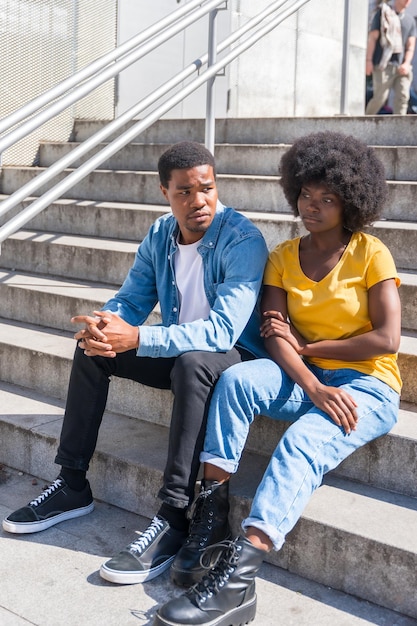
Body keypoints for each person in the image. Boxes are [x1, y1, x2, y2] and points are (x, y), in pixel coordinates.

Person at [154, 131, 402, 626]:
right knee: (238, 381)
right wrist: (310, 381)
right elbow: (272, 336)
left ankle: (238, 578)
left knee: (303, 440)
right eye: (306, 195)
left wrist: (307, 347)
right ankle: (211, 511)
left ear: (350, 202)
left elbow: (386, 339)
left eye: (326, 199)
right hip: (306, 377)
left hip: (368, 384)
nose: (311, 207)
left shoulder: (370, 253)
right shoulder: (283, 256)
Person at [2, 141, 269, 587]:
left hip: (234, 356)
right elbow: (133, 298)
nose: (199, 201)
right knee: (94, 350)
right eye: (185, 191)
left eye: (207, 188)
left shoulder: (242, 240)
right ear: (165, 191)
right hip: (181, 346)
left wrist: (141, 336)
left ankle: (173, 515)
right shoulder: (160, 234)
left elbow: (222, 332)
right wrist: (106, 323)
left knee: (193, 365)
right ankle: (72, 485)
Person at [366, 0, 416, 115]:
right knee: (380, 98)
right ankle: (364, 123)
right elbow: (373, 38)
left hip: (401, 66)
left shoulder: (410, 20)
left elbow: (410, 45)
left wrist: (407, 63)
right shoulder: (383, 14)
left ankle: (399, 129)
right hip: (383, 64)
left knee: (403, 97)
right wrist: (368, 61)